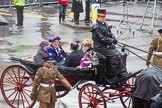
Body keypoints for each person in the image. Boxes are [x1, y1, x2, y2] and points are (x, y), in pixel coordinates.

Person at [90, 8, 128, 82]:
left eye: (104, 17)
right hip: (100, 48)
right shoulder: (96, 27)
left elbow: (110, 34)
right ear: (98, 17)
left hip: (106, 47)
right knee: (115, 55)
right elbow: (102, 39)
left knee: (121, 54)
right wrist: (111, 40)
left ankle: (121, 72)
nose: (104, 18)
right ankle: (115, 74)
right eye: (102, 17)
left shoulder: (105, 25)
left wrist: (114, 39)